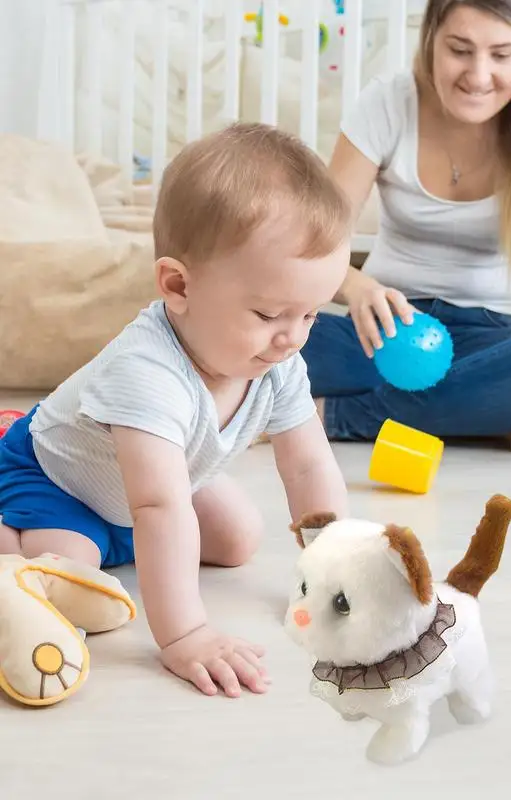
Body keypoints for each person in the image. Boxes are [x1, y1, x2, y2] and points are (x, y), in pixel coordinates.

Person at [0, 123, 351, 698]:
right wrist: (185, 633)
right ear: (177, 285)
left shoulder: (277, 360)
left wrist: (335, 562)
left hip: (157, 481)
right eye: (268, 314)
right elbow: (160, 508)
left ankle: (116, 543)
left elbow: (309, 465)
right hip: (60, 481)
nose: (293, 337)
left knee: (239, 539)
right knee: (66, 569)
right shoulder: (146, 371)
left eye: (310, 314)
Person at [302, 0, 511, 453]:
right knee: (259, 334)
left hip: (496, 345)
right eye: (460, 50)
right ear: (431, 39)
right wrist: (358, 288)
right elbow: (315, 245)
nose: (478, 76)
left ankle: (335, 417)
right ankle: (481, 413)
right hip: (387, 333)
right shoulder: (386, 103)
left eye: (501, 55)